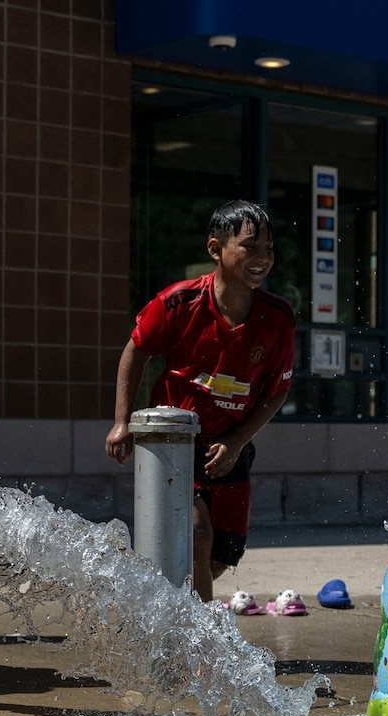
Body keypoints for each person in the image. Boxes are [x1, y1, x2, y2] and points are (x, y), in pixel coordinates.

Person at [105, 200, 295, 606]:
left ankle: (161, 608)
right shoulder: (177, 303)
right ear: (215, 249)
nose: (262, 258)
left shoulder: (278, 318)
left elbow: (278, 391)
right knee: (196, 534)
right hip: (173, 444)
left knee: (218, 556)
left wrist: (238, 442)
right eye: (249, 247)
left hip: (229, 444)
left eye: (269, 249)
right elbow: (135, 351)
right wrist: (123, 422)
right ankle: (204, 648)